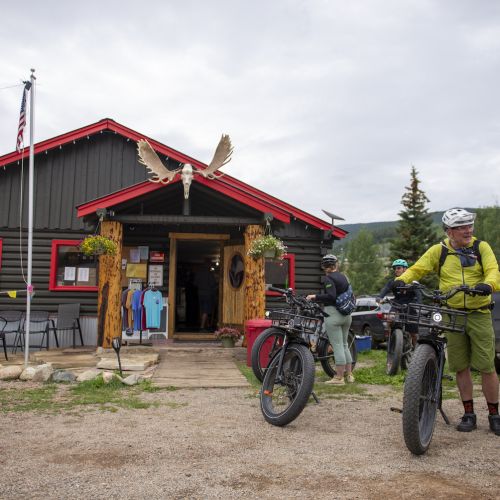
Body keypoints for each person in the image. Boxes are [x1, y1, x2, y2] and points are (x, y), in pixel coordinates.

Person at [393, 208, 500, 436]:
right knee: (460, 366)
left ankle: (494, 414)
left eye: (469, 225)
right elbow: (418, 268)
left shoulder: (482, 247)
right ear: (449, 231)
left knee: (487, 367)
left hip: (478, 312)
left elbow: (494, 271)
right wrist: (402, 279)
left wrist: (488, 285)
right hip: (451, 313)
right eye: (462, 227)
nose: (468, 230)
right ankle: (469, 413)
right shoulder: (439, 250)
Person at [306, 254, 354, 385]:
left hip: (333, 314)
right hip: (346, 315)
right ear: (336, 265)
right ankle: (349, 375)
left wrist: (314, 297)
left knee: (337, 346)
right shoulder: (344, 276)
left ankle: (339, 378)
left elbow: (331, 296)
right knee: (344, 345)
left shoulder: (328, 278)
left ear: (324, 267)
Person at [378, 258, 422, 345]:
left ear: (405, 269)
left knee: (414, 334)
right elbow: (385, 289)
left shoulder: (412, 280)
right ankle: (390, 340)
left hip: (410, 305)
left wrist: (419, 304)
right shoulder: (393, 281)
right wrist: (379, 298)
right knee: (390, 319)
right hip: (397, 304)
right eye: (395, 268)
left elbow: (418, 294)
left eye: (398, 268)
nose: (396, 270)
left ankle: (415, 350)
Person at [193, 259, 217, 332]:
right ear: (209, 265)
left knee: (202, 310)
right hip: (208, 294)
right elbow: (213, 284)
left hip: (200, 293)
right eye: (210, 265)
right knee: (206, 310)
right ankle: (202, 327)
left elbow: (195, 283)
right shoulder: (210, 274)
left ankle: (208, 325)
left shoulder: (199, 273)